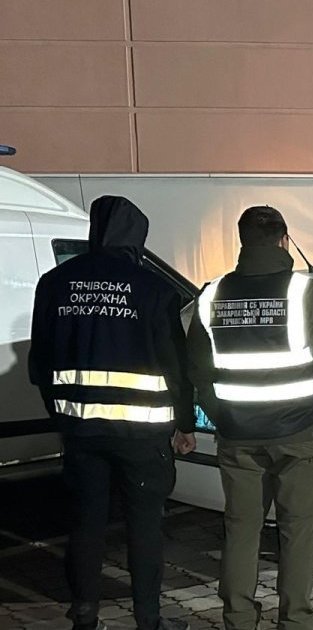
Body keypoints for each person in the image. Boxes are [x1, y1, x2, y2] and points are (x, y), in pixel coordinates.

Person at [28, 196, 194, 630]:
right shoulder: (154, 289)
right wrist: (185, 421)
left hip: (81, 432)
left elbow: (39, 362)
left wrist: (61, 416)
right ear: (137, 235)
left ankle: (85, 614)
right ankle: (148, 619)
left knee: (85, 522)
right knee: (145, 526)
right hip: (143, 435)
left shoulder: (55, 283)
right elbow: (176, 366)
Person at [187, 206, 313, 630]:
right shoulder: (305, 292)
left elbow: (198, 371)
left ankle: (239, 618)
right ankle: (295, 619)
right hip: (299, 433)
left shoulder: (212, 294)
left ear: (242, 241)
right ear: (284, 240)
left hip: (238, 436)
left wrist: (223, 414)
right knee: (298, 532)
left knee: (241, 530)